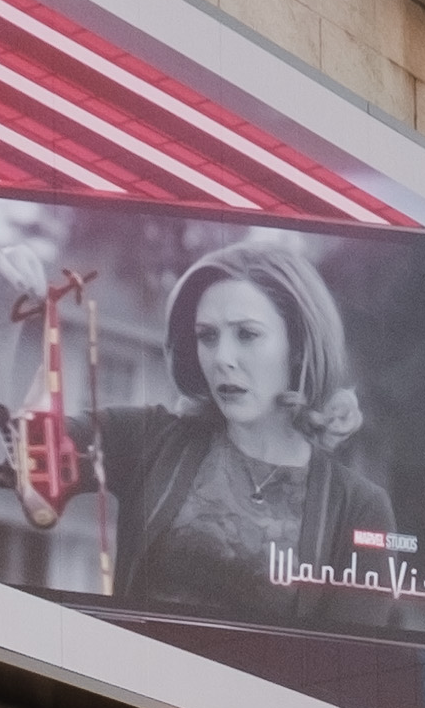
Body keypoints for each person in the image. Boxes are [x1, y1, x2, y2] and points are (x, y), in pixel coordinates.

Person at [109, 237, 406, 625]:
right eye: (207, 336)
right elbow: (12, 459)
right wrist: (0, 324)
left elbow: (347, 665)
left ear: (298, 345)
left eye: (246, 334)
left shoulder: (360, 508)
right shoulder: (147, 437)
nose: (222, 359)